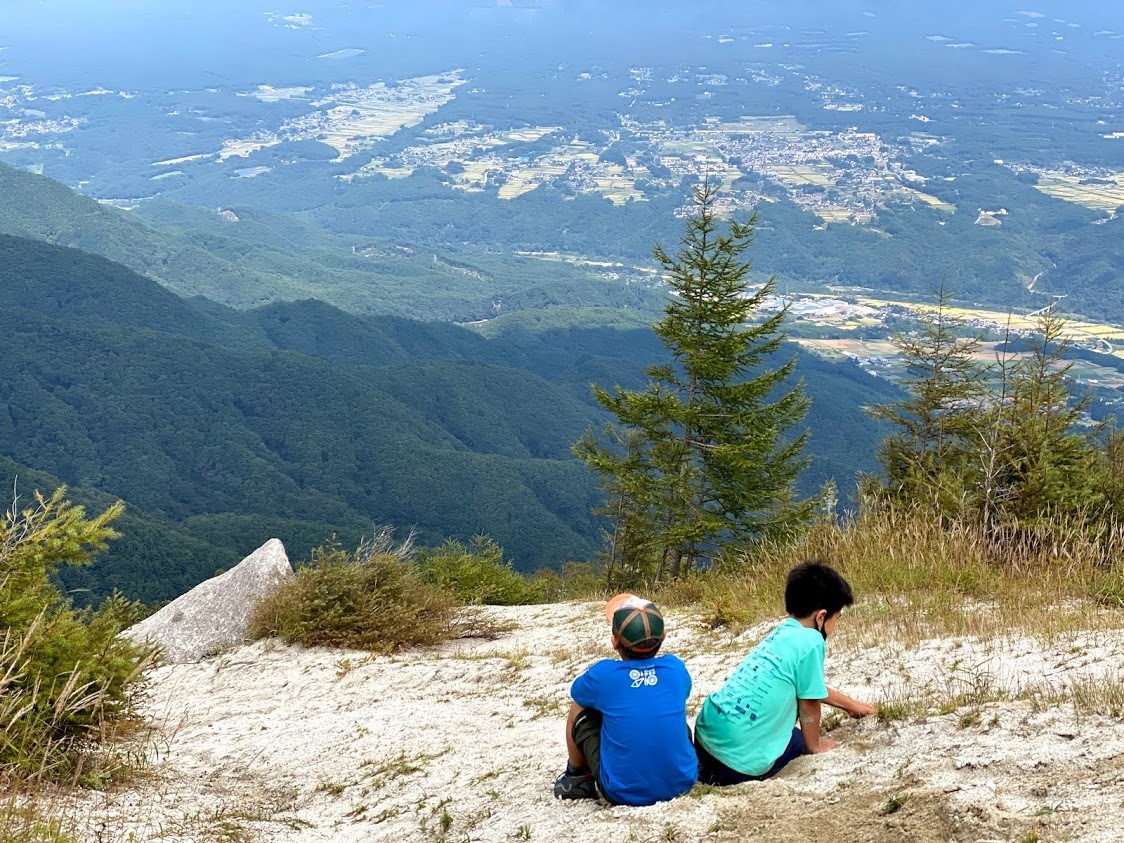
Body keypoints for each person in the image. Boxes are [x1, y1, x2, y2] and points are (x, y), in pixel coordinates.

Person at [693, 560, 876, 785]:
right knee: (796, 739)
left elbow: (807, 684)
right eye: (836, 618)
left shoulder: (782, 633)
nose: (835, 625)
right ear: (821, 616)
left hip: (705, 743)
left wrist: (851, 706)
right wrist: (814, 746)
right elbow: (809, 700)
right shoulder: (812, 641)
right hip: (738, 765)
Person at [553, 594, 698, 806]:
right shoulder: (675, 668)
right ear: (664, 636)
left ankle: (576, 778)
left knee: (579, 708)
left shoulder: (604, 675)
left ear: (614, 642)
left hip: (622, 791)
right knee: (666, 712)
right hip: (683, 782)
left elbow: (578, 693)